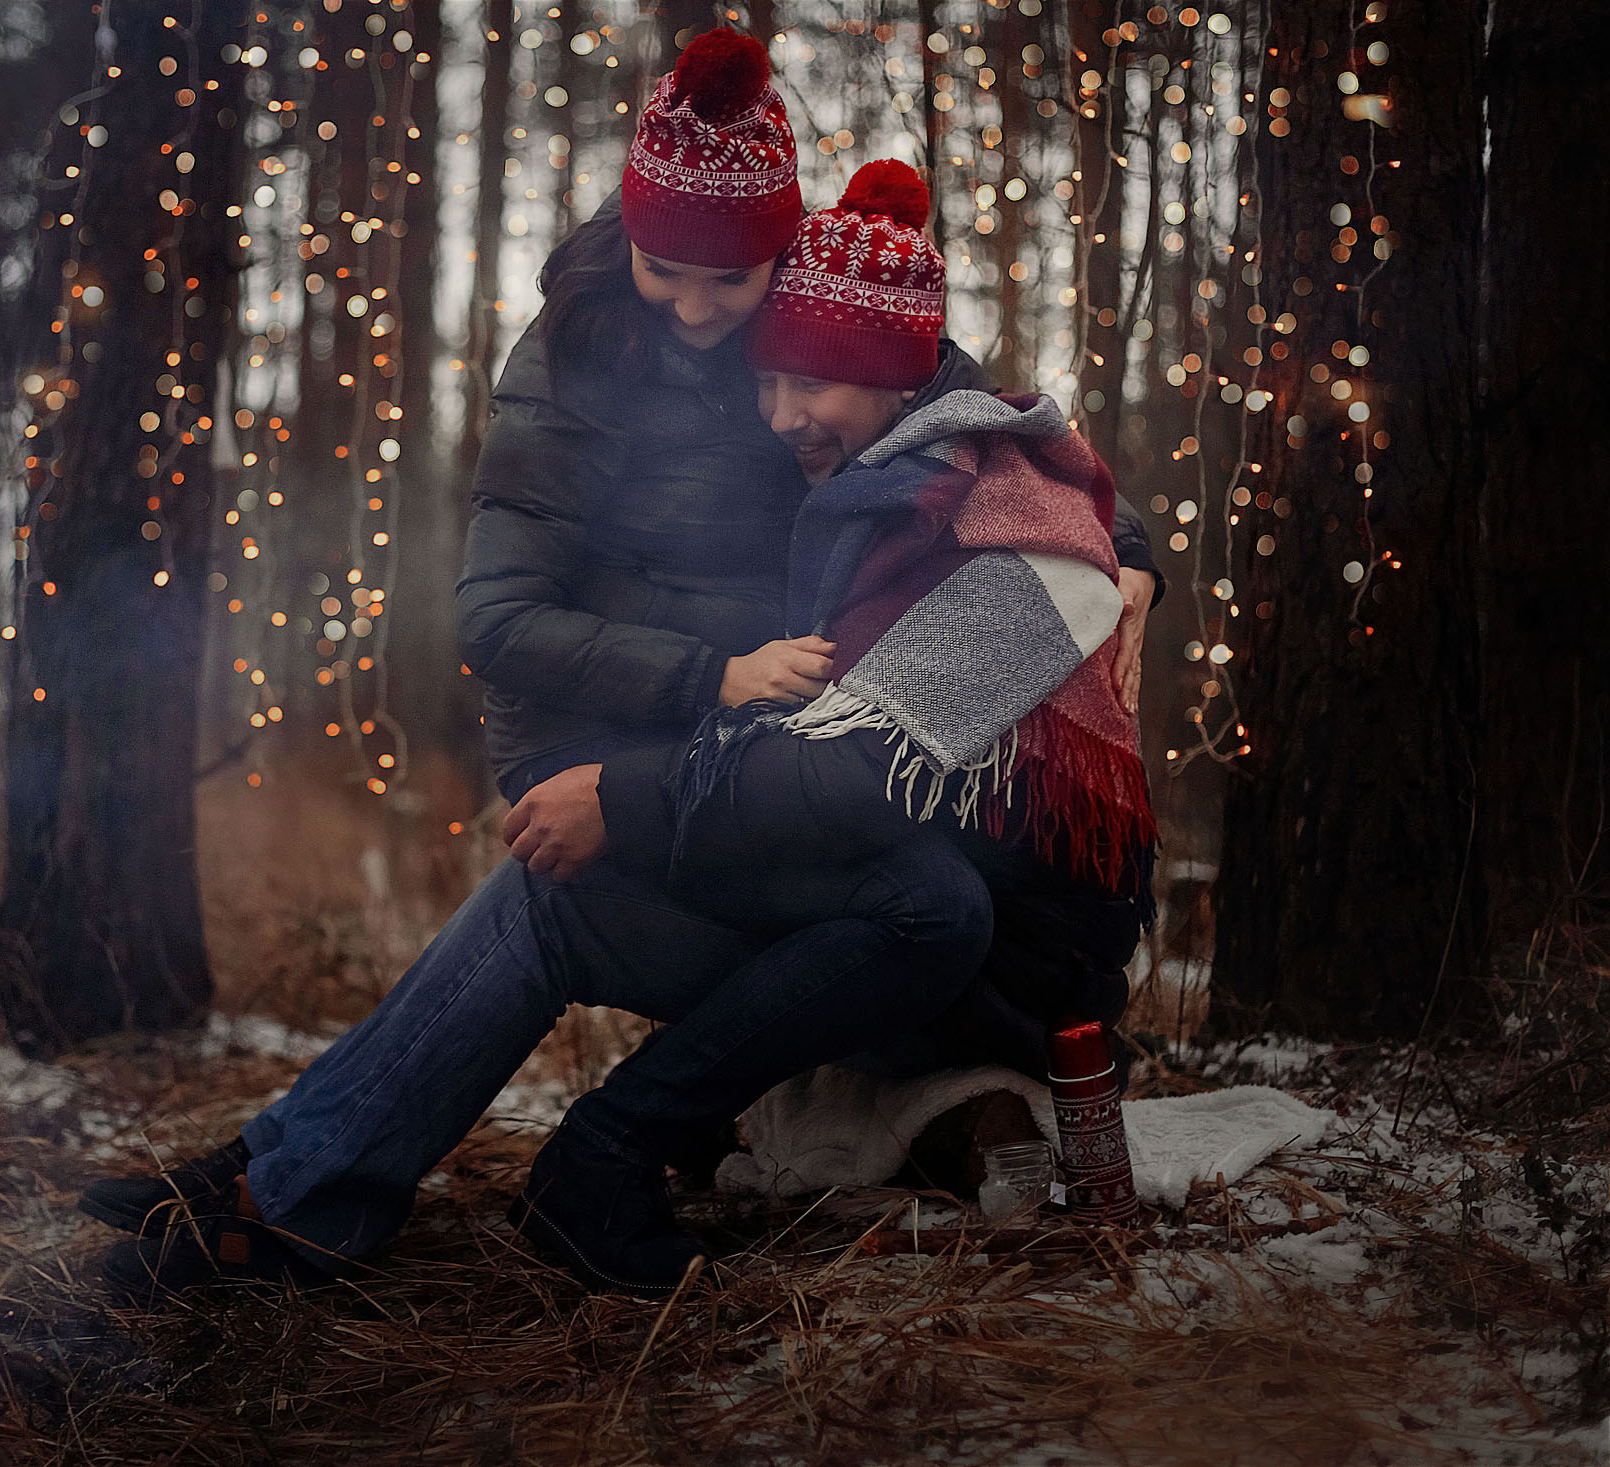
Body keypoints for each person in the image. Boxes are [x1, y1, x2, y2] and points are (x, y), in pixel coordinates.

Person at [78, 36, 1156, 1302]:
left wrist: (1123, 556)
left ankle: (318, 1180)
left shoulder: (862, 349)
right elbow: (500, 614)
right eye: (665, 272)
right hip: (668, 728)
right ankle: (297, 1175)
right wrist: (705, 681)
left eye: (734, 289)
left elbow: (1001, 442)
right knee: (621, 886)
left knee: (865, 897)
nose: (700, 317)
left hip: (786, 762)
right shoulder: (580, 354)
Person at [508, 162, 1156, 1228]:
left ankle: (612, 1144)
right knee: (587, 882)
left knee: (899, 901)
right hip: (936, 918)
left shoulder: (997, 523)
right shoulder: (873, 495)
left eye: (810, 383)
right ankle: (325, 1163)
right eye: (766, 385)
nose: (779, 418)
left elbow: (862, 773)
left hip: (1007, 970)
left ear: (901, 379)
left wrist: (625, 796)